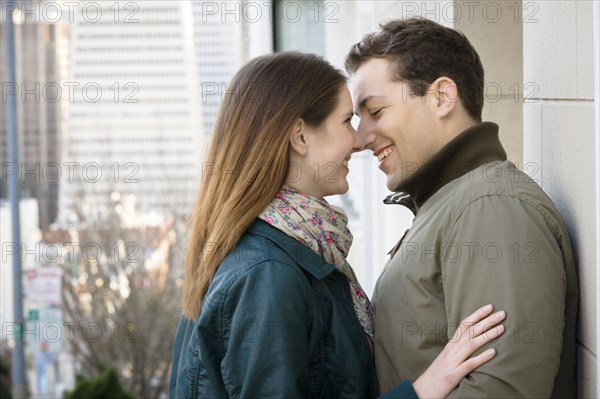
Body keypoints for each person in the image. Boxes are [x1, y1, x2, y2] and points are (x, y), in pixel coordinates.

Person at [169, 51, 506, 399]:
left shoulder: (295, 249)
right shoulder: (268, 272)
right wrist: (421, 391)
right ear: (299, 136)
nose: (360, 141)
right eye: (347, 120)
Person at [345, 18, 579, 398]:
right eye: (357, 119)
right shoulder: (452, 202)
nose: (360, 138)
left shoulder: (491, 208)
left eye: (376, 111)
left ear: (442, 96)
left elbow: (500, 391)